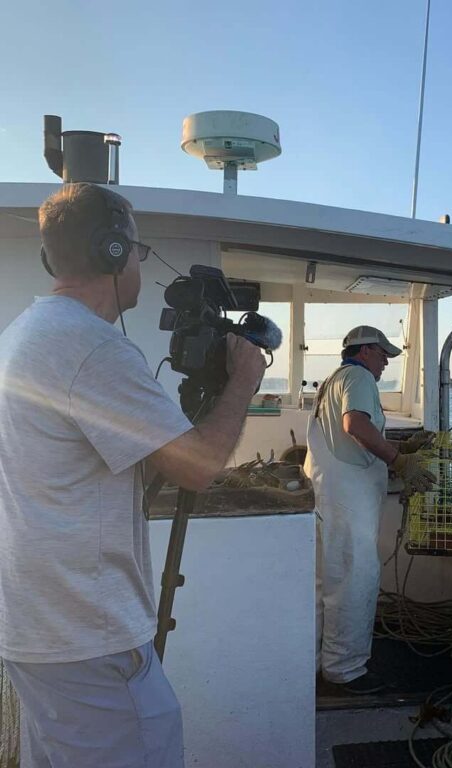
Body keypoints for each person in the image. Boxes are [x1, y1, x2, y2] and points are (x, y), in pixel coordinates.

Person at [0, 183, 266, 768]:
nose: (141, 267)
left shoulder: (23, 336)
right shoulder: (92, 350)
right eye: (138, 252)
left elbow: (97, 465)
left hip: (38, 626)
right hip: (86, 633)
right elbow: (197, 469)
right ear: (114, 252)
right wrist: (244, 378)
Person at [305, 325, 435, 693]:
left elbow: (347, 433)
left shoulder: (334, 380)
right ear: (364, 351)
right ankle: (345, 673)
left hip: (326, 496)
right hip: (348, 504)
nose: (385, 364)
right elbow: (354, 424)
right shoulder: (359, 377)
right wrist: (400, 462)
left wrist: (403, 446)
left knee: (323, 584)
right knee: (353, 581)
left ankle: (313, 664)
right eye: (383, 356)